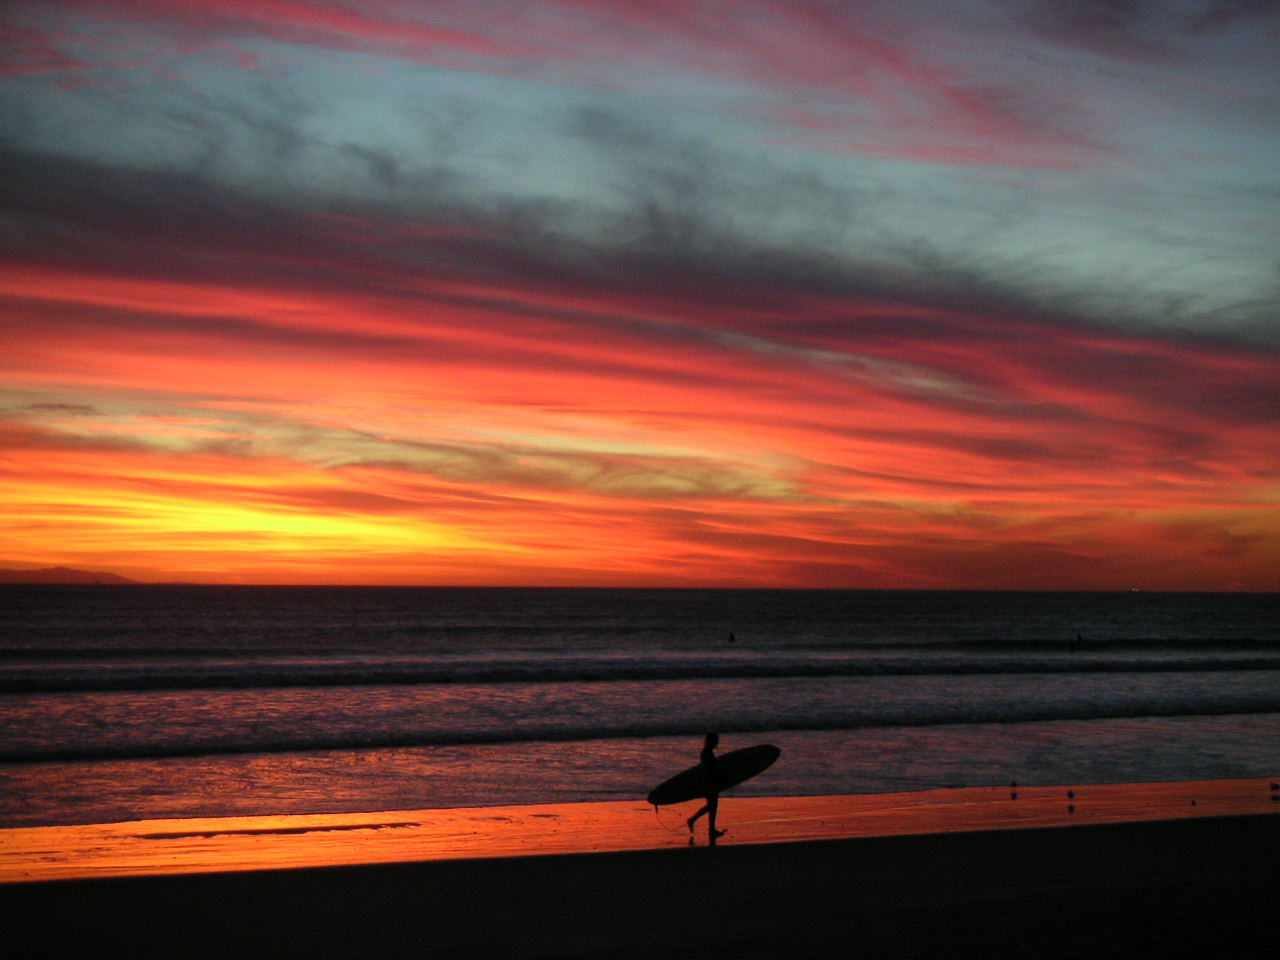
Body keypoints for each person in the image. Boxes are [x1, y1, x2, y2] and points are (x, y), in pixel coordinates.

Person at [687, 732, 726, 844]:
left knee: (711, 806)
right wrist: (718, 781)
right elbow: (712, 769)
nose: (717, 743)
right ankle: (707, 828)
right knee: (713, 806)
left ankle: (706, 826)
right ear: (712, 741)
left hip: (707, 782)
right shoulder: (708, 753)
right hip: (710, 782)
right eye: (716, 740)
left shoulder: (705, 752)